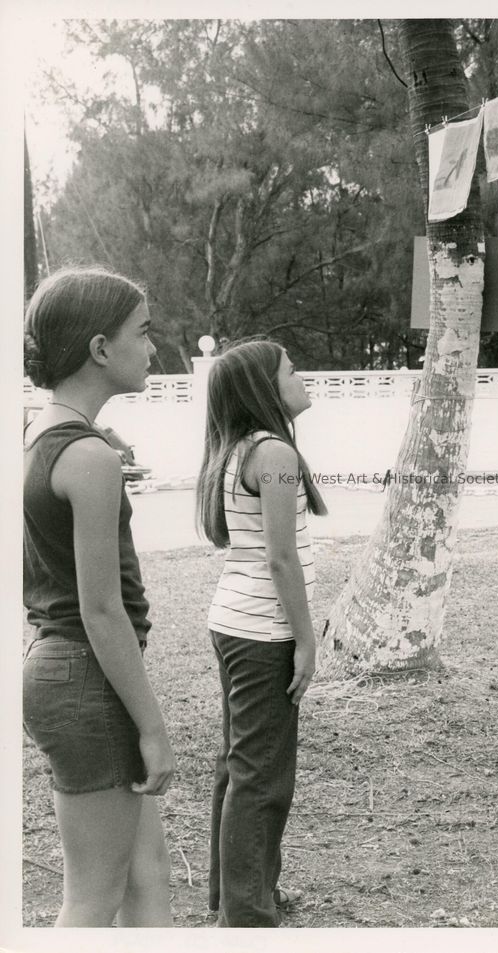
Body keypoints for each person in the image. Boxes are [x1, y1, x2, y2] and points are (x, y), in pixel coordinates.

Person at [22, 267, 175, 927]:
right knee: (92, 897)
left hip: (67, 673)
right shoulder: (89, 456)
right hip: (86, 676)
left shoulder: (43, 438)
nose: (153, 348)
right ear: (99, 348)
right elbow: (101, 608)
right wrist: (154, 727)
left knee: (148, 878)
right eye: (142, 333)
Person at [195, 339, 326, 927]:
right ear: (264, 389)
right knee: (262, 776)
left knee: (240, 765)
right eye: (291, 370)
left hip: (233, 622)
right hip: (262, 632)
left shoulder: (239, 448)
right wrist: (305, 640)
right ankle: (246, 915)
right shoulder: (273, 452)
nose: (302, 377)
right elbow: (281, 559)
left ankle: (240, 896)